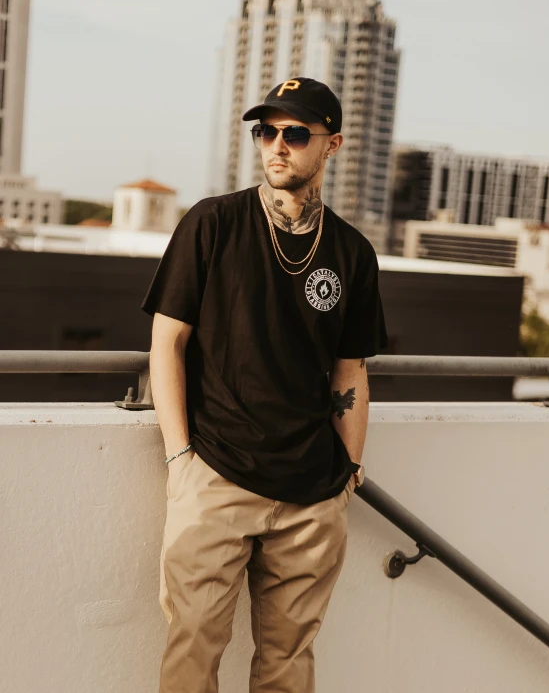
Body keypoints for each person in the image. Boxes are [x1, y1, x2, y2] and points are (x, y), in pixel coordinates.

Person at [141, 76, 388, 693]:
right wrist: (180, 459)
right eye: (266, 131)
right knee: (192, 651)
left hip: (312, 496)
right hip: (217, 476)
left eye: (295, 133)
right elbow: (166, 343)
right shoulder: (213, 223)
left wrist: (349, 471)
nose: (277, 146)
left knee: (288, 666)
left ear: (330, 146)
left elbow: (350, 370)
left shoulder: (352, 253)